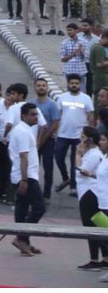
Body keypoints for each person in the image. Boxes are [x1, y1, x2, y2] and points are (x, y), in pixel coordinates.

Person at [8, 103, 45, 256]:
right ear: (24, 116)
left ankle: (25, 242)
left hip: (25, 175)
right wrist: (24, 180)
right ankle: (21, 237)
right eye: (32, 114)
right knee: (39, 208)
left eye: (36, 114)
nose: (35, 117)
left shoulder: (25, 130)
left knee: (22, 208)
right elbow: (23, 157)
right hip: (26, 176)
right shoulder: (23, 132)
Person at [56, 74, 96, 196]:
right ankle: (65, 178)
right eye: (72, 83)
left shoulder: (86, 98)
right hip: (63, 134)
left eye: (76, 83)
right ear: (68, 84)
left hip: (79, 136)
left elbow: (90, 117)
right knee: (58, 158)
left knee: (76, 161)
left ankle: (73, 187)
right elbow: (58, 115)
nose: (74, 85)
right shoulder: (61, 97)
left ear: (80, 84)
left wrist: (90, 134)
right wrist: (54, 131)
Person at [74, 127, 108, 270]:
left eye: (82, 137)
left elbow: (80, 171)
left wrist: (77, 154)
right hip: (91, 192)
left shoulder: (93, 154)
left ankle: (95, 259)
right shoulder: (100, 155)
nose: (80, 139)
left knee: (91, 227)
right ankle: (104, 258)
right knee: (97, 227)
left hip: (90, 193)